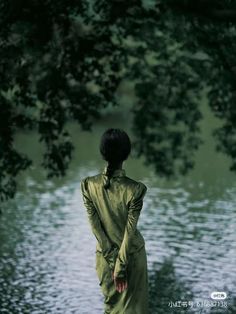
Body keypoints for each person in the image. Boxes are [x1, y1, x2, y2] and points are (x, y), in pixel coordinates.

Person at [81, 128, 149, 314]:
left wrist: (112, 261)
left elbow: (96, 227)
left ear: (103, 153)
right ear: (126, 154)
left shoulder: (88, 185)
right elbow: (129, 232)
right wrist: (120, 267)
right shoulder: (136, 189)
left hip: (104, 258)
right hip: (132, 258)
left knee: (111, 309)